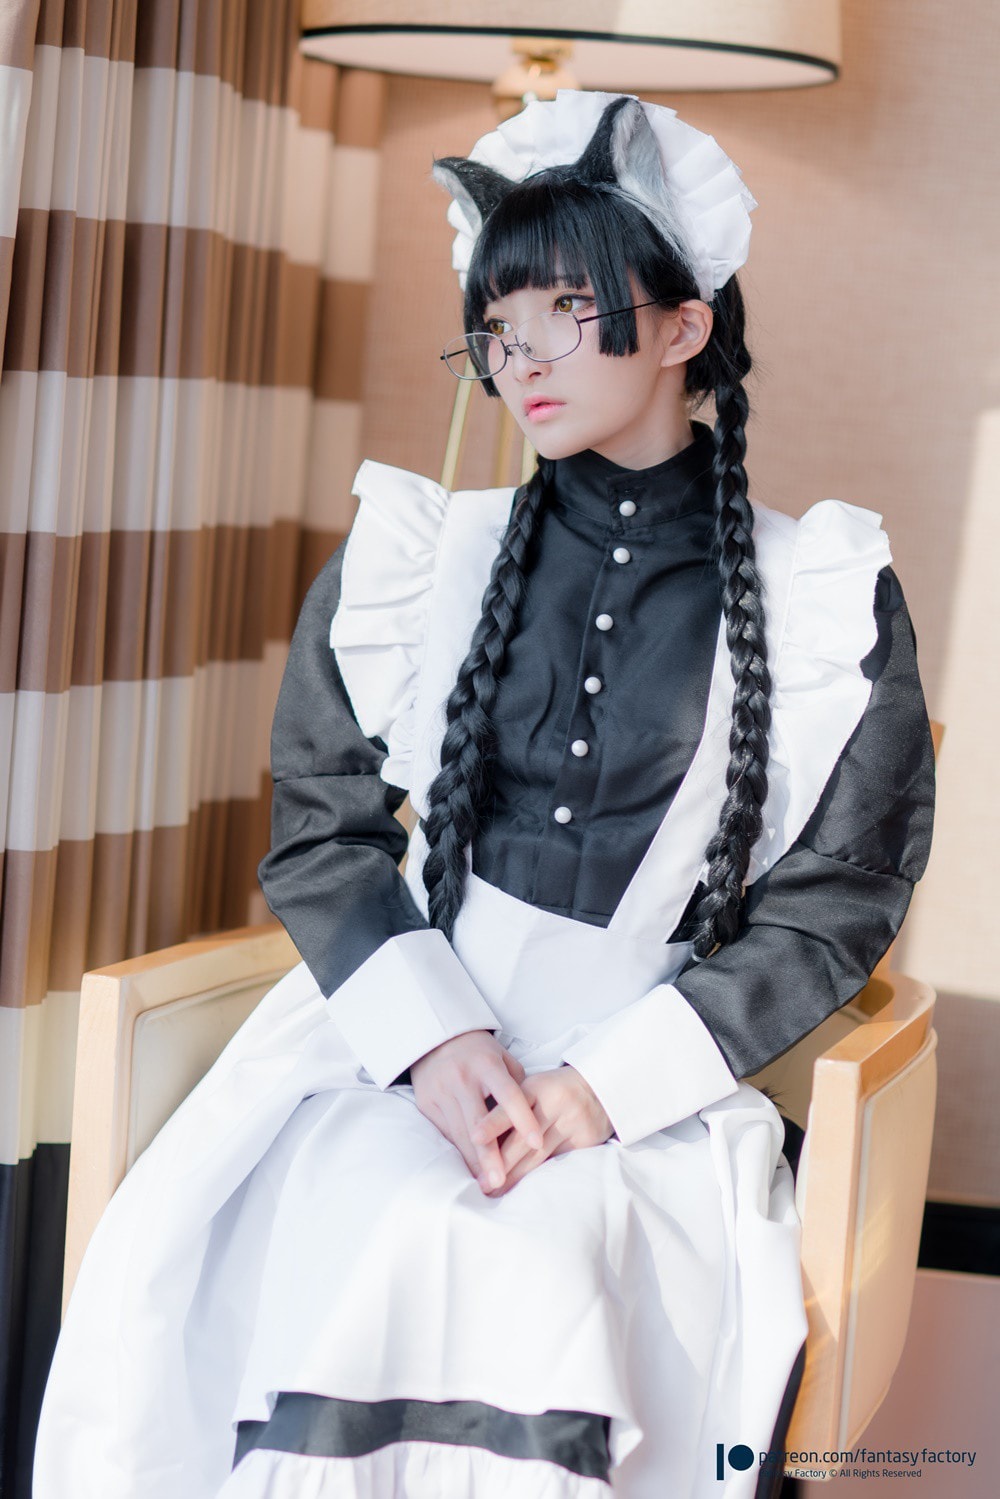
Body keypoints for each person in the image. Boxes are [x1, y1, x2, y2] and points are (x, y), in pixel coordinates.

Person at [33, 92, 935, 1499]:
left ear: (684, 327)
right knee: (375, 1224)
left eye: (565, 313)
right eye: (497, 330)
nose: (520, 362)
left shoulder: (822, 597)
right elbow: (322, 826)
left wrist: (599, 1093)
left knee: (541, 1264)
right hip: (389, 1046)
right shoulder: (418, 556)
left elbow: (836, 904)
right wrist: (436, 1045)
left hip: (643, 1083)